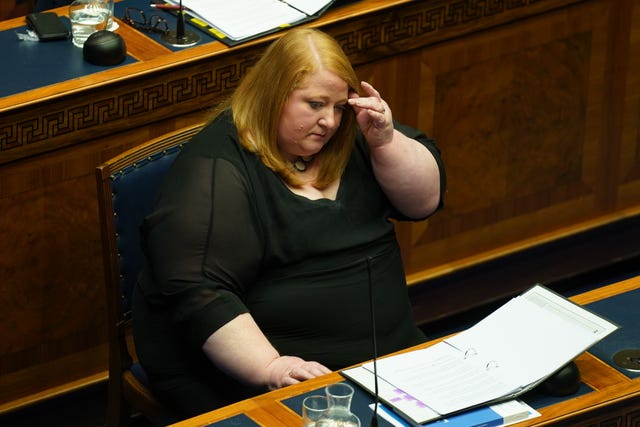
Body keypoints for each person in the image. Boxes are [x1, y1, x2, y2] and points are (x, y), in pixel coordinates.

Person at [132, 27, 446, 419]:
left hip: (387, 361)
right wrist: (270, 366)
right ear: (273, 95)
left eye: (339, 106)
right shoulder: (216, 167)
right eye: (314, 104)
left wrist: (385, 143)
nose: (329, 121)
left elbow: (424, 202)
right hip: (265, 374)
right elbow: (198, 292)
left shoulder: (355, 134)